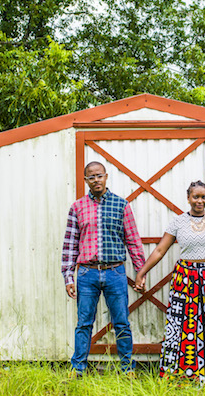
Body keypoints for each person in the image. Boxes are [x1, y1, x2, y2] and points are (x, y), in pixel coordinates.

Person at [134, 180, 205, 381]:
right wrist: (142, 272)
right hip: (187, 280)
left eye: (203, 197)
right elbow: (159, 250)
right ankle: (185, 372)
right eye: (195, 197)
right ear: (188, 198)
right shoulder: (178, 222)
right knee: (186, 325)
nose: (199, 201)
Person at [61, 161, 145, 376]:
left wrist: (140, 272)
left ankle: (127, 369)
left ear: (106, 177)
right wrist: (68, 277)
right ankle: (77, 368)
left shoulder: (121, 205)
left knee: (122, 322)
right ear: (85, 180)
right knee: (84, 323)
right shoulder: (77, 207)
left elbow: (133, 241)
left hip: (114, 272)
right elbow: (70, 244)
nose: (96, 180)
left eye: (99, 175)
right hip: (87, 274)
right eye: (91, 177)